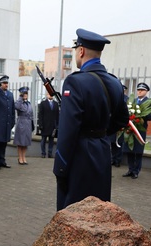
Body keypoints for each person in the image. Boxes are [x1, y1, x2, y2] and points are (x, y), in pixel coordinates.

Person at [53, 28, 129, 211]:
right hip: (102, 152)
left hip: (79, 157)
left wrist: (60, 166)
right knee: (99, 211)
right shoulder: (114, 82)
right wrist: (100, 133)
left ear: (81, 51)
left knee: (73, 215)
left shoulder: (75, 82)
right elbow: (122, 120)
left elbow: (68, 130)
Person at [122, 82, 151, 179]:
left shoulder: (148, 102)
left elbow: (150, 116)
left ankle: (136, 171)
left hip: (140, 129)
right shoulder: (132, 101)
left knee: (138, 151)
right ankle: (130, 169)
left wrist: (140, 116)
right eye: (138, 90)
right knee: (129, 149)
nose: (139, 92)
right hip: (130, 128)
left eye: (142, 90)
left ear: (146, 91)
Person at [108, 84, 128, 168]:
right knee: (112, 143)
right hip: (113, 123)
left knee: (119, 143)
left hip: (121, 124)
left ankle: (118, 160)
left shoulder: (127, 99)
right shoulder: (114, 97)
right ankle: (113, 159)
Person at [13, 87, 33, 165]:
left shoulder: (29, 103)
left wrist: (32, 124)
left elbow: (31, 113)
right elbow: (17, 107)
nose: (25, 95)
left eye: (26, 94)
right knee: (20, 142)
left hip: (28, 124)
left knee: (26, 142)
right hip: (21, 123)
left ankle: (24, 157)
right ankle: (20, 158)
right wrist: (20, 98)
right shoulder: (19, 102)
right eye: (24, 94)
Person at [38, 92, 59, 158]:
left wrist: (57, 125)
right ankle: (43, 153)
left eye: (51, 94)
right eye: (49, 94)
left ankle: (50, 153)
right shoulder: (43, 103)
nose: (50, 95)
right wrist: (40, 124)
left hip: (52, 126)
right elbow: (40, 115)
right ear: (47, 95)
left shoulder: (56, 104)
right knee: (43, 140)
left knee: (51, 140)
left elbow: (57, 115)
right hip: (44, 125)